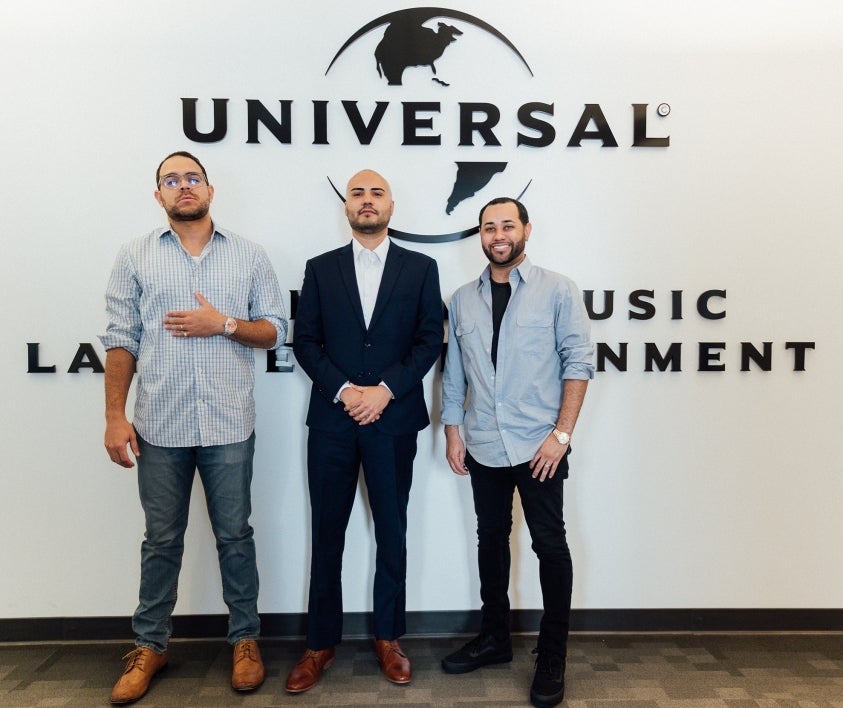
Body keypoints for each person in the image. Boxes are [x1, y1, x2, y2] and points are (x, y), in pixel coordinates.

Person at [100, 151, 287, 704]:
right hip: (159, 425)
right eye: (171, 180)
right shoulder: (133, 256)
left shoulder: (249, 256)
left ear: (210, 189)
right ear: (158, 195)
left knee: (235, 536)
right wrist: (115, 415)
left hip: (230, 425)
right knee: (161, 541)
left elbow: (274, 330)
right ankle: (149, 645)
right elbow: (119, 340)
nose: (184, 186)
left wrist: (222, 324)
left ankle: (245, 641)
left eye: (193, 178)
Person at [286, 169, 443, 692]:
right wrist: (347, 391)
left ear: (391, 204)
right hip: (333, 421)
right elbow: (305, 342)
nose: (367, 201)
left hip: (393, 420)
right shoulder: (321, 269)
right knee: (327, 534)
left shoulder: (421, 268)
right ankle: (319, 644)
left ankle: (388, 637)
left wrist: (385, 391)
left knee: (391, 532)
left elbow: (427, 342)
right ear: (347, 207)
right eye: (358, 193)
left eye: (377, 193)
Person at [439, 197, 594, 707]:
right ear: (480, 236)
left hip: (539, 446)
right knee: (491, 540)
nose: (498, 234)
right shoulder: (463, 299)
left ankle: (552, 657)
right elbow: (455, 371)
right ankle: (495, 638)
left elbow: (578, 364)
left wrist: (562, 435)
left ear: (526, 230)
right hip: (483, 441)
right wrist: (453, 429)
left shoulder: (558, 291)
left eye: (507, 225)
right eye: (489, 227)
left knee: (550, 545)